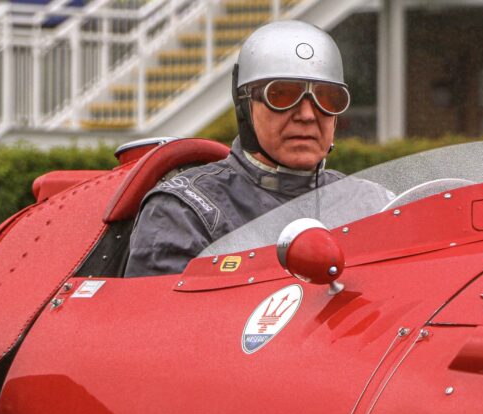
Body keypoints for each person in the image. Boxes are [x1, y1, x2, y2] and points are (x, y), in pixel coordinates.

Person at [125, 20, 355, 277]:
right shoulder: (184, 212)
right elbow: (161, 314)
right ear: (245, 106)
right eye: (281, 95)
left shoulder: (369, 201)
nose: (307, 115)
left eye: (327, 98)